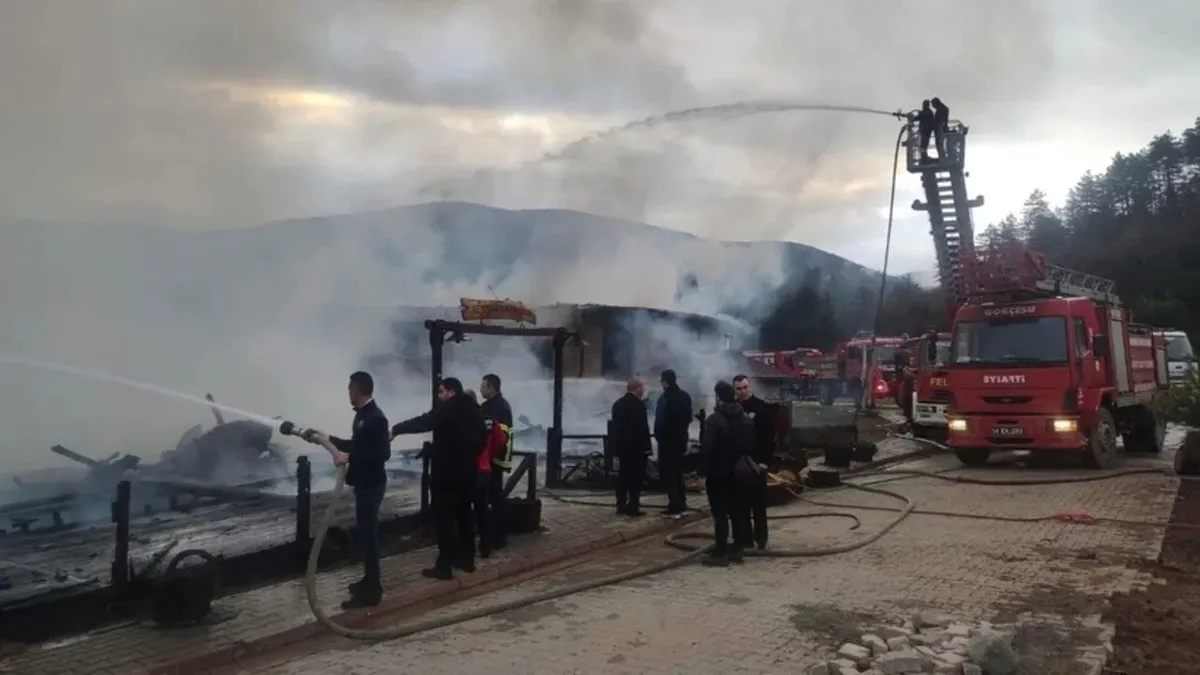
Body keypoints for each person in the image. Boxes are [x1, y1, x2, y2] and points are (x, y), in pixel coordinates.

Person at [302, 371, 391, 609]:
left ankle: (372, 592)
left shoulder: (375, 418)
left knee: (369, 538)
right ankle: (369, 581)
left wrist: (349, 456)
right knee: (365, 534)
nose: (348, 392)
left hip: (371, 485)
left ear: (359, 389)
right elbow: (358, 445)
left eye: (350, 388)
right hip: (364, 484)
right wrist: (328, 438)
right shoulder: (362, 416)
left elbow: (383, 453)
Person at [390, 377, 485, 581]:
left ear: (451, 392)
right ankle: (467, 561)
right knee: (464, 516)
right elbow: (481, 441)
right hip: (468, 472)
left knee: (444, 521)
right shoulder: (476, 411)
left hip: (446, 474)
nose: (438, 395)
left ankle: (444, 566)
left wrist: (397, 429)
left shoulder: (447, 409)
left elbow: (424, 422)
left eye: (441, 391)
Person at [699, 381, 755, 567]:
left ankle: (720, 552)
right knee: (738, 511)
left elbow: (707, 449)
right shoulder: (746, 418)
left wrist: (703, 474)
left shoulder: (714, 420)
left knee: (720, 513)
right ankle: (738, 548)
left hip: (719, 473)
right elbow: (750, 445)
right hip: (740, 472)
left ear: (718, 397)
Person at [731, 375, 775, 550]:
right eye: (738, 389)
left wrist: (765, 462)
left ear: (750, 387)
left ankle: (761, 538)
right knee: (741, 505)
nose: (742, 392)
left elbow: (769, 437)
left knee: (758, 505)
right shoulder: (733, 409)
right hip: (739, 465)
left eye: (745, 387)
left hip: (757, 464)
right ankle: (745, 539)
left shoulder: (761, 408)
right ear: (734, 390)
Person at [465, 390, 508, 558]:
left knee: (463, 510)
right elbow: (500, 441)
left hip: (466, 471)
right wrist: (488, 456)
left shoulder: (462, 419)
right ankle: (485, 546)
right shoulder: (488, 418)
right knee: (482, 509)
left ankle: (466, 548)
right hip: (484, 470)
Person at [479, 373, 513, 551]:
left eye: (483, 386)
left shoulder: (492, 408)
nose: (481, 389)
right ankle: (498, 535)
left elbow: (491, 435)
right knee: (496, 495)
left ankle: (496, 537)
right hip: (499, 458)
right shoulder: (503, 405)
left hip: (491, 459)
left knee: (492, 497)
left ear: (492, 388)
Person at [610, 378, 652, 517]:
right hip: (637, 449)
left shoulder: (617, 404)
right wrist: (647, 448)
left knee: (623, 477)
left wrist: (615, 447)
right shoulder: (639, 406)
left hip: (622, 448)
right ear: (637, 388)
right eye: (642, 388)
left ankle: (620, 505)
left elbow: (615, 428)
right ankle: (633, 506)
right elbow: (642, 429)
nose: (644, 391)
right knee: (636, 479)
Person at [653, 369, 693, 517]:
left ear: (665, 382)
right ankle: (681, 502)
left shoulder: (665, 398)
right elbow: (689, 418)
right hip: (681, 440)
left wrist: (659, 437)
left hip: (667, 443)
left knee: (669, 474)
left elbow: (660, 423)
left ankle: (674, 505)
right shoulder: (685, 396)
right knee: (678, 472)